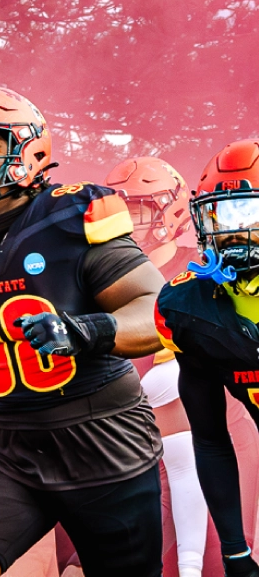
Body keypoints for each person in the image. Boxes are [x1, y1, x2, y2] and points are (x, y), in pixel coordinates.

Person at [0, 86, 167, 577]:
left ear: (29, 151)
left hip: (102, 437)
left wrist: (85, 330)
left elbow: (157, 307)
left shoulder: (73, 215)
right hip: (3, 441)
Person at [102, 156, 212, 577]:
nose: (131, 221)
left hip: (199, 429)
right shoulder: (101, 269)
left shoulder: (199, 267)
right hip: (122, 440)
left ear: (174, 211)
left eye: (141, 209)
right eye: (123, 209)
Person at [155, 139, 259, 577]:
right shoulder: (186, 306)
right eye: (219, 214)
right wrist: (236, 553)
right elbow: (211, 437)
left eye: (244, 214)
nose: (230, 231)